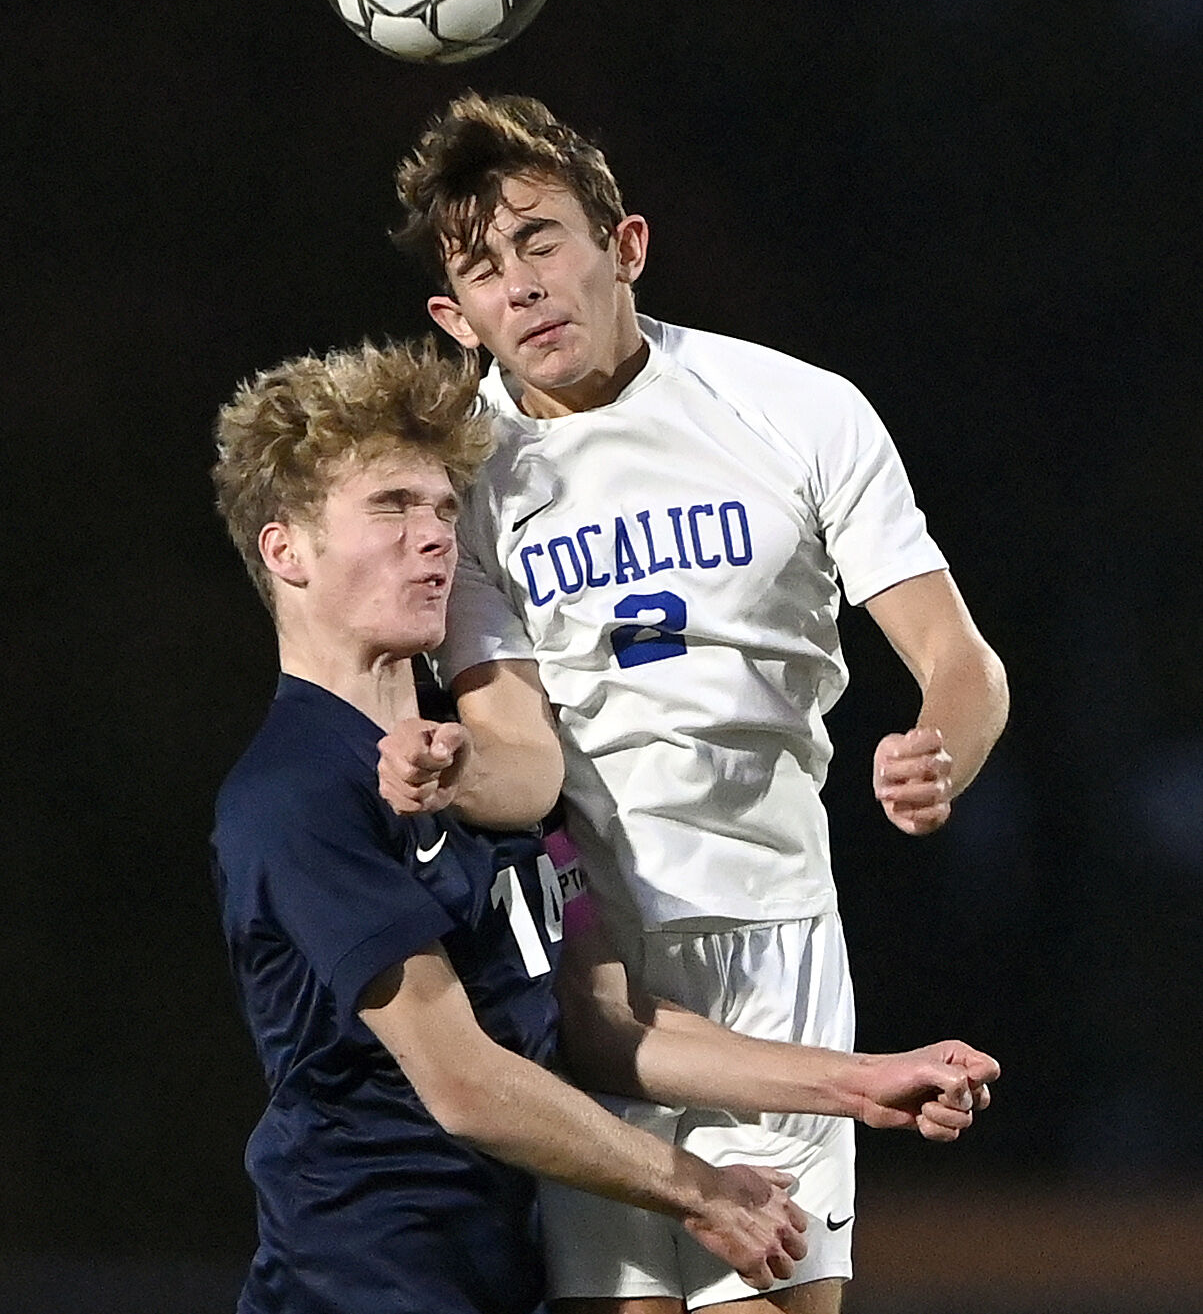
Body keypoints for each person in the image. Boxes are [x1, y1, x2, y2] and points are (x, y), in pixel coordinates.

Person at [209, 338, 998, 1314]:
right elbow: (461, 1078)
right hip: (363, 1286)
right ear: (285, 548)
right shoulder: (296, 792)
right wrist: (699, 1186)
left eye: (445, 508)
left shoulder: (489, 777)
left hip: (510, 1277)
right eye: (391, 506)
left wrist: (855, 1080)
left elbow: (601, 1027)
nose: (434, 537)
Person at [381, 93, 1012, 1314]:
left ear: (624, 246)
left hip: (768, 938)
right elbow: (517, 745)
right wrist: (454, 767)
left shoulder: (794, 408)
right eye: (483, 268)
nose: (521, 286)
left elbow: (959, 658)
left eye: (540, 239)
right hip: (583, 962)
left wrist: (942, 747)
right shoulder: (462, 486)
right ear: (454, 318)